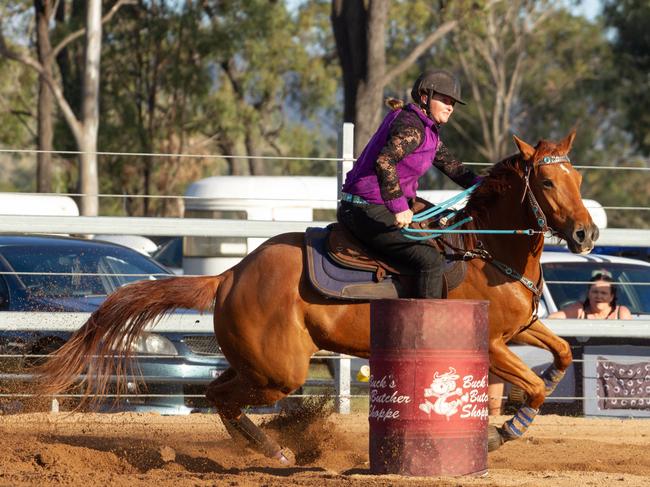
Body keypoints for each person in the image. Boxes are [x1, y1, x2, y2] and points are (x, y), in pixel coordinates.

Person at [337, 70, 480, 299]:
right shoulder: (412, 127)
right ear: (425, 97)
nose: (450, 107)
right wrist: (399, 206)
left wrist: (490, 185)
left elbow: (454, 168)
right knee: (431, 261)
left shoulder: (428, 131)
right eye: (444, 99)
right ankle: (424, 331)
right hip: (364, 209)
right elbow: (384, 161)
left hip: (377, 206)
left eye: (452, 103)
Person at [548, 271, 633, 320]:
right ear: (588, 294)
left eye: (604, 293)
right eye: (595, 292)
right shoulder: (580, 310)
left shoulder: (621, 313)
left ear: (611, 297)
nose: (598, 296)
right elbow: (552, 318)